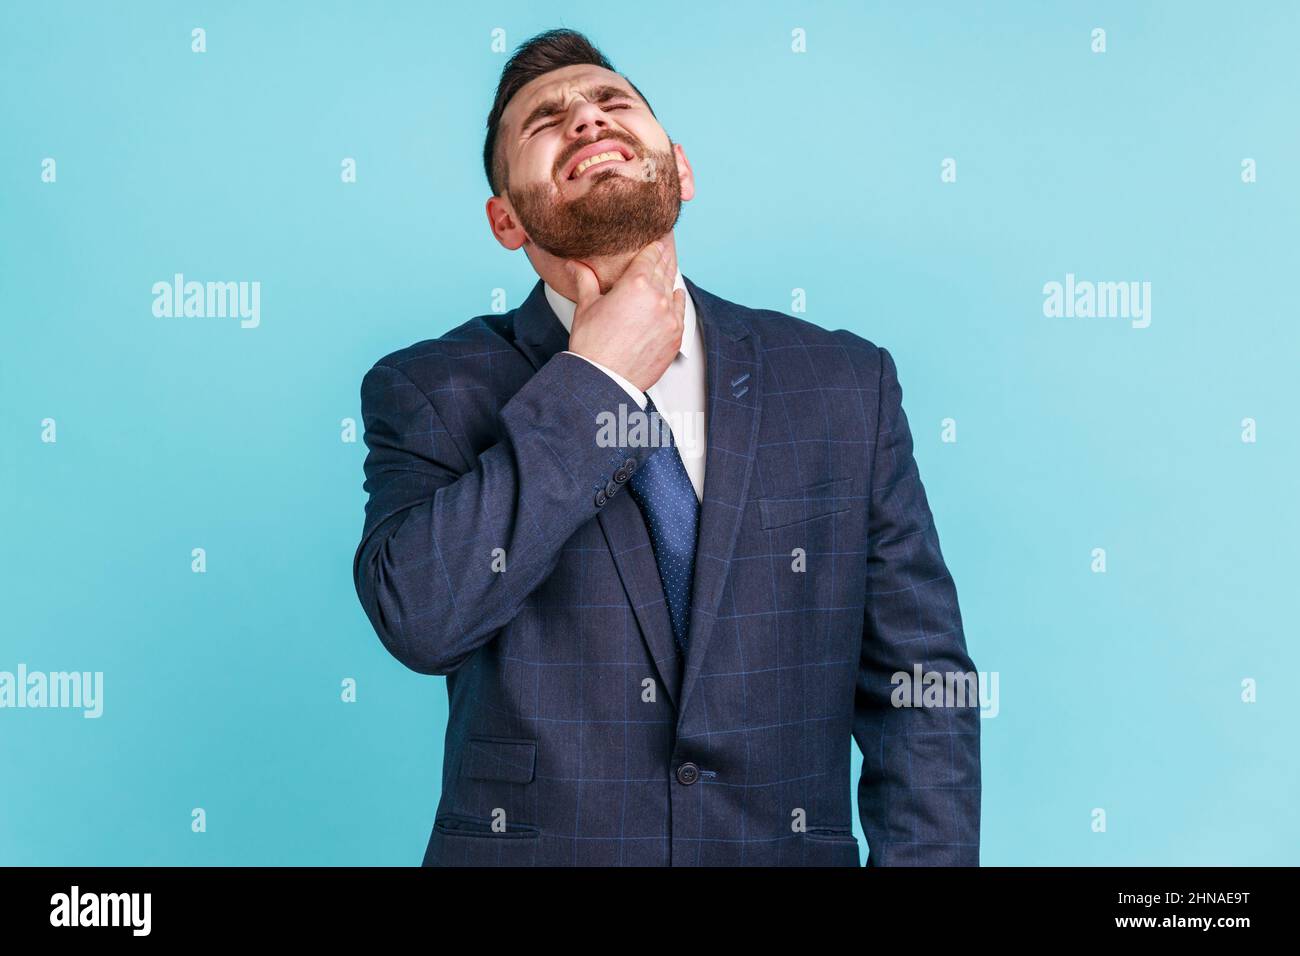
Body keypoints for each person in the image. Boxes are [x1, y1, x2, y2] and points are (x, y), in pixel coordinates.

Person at [353, 28, 981, 866]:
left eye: (613, 103)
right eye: (546, 121)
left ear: (679, 169)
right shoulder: (428, 388)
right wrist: (597, 379)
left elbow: (922, 691)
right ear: (505, 220)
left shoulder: (843, 382)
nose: (585, 119)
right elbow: (421, 620)